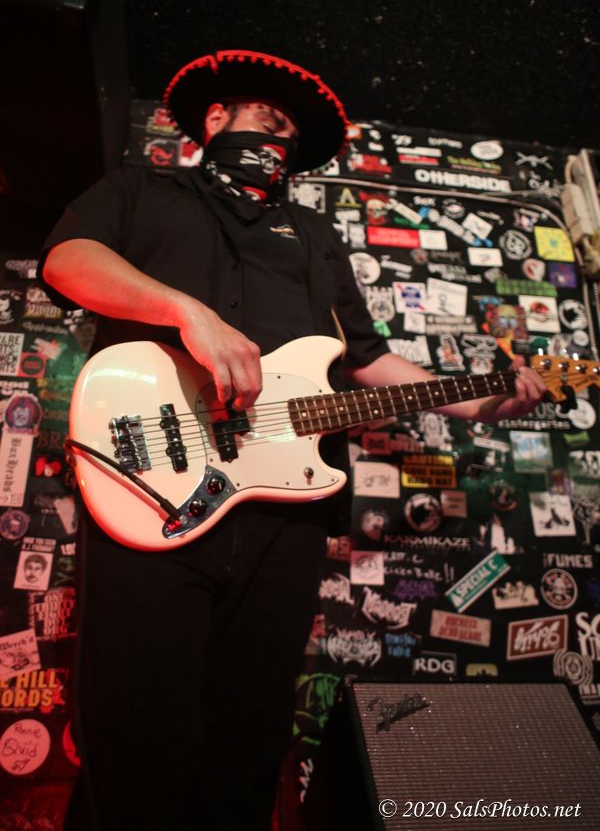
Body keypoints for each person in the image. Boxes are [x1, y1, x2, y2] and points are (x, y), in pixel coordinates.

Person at [39, 49, 545, 830]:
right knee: (137, 724)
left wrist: (478, 402)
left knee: (249, 731)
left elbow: (364, 357)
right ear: (215, 119)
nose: (277, 141)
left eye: (290, 137)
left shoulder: (313, 235)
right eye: (267, 121)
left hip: (286, 510)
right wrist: (188, 313)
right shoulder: (142, 189)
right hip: (152, 485)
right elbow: (69, 260)